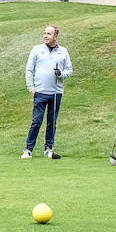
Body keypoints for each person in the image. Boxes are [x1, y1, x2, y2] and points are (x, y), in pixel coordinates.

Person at [22, 25, 72, 159]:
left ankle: (48, 149)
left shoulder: (63, 51)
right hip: (40, 92)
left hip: (56, 93)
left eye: (49, 34)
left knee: (52, 122)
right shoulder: (37, 50)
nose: (45, 36)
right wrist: (31, 88)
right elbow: (29, 70)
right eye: (44, 33)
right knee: (36, 121)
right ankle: (28, 149)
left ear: (55, 36)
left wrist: (61, 74)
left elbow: (69, 70)